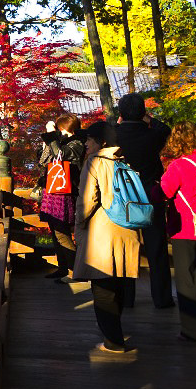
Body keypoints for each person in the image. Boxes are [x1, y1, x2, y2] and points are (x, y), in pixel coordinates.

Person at [73, 120, 141, 353]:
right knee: (118, 283)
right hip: (126, 228)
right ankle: (114, 332)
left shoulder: (94, 162)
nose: (86, 144)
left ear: (101, 142)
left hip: (102, 232)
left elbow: (86, 202)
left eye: (89, 140)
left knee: (102, 287)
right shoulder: (123, 160)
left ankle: (113, 340)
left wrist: (78, 226)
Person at [114, 93, 174, 309]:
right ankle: (162, 298)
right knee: (156, 247)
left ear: (120, 113)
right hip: (150, 194)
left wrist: (119, 120)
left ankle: (126, 298)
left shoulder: (115, 136)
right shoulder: (152, 136)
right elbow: (166, 130)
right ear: (142, 113)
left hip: (123, 198)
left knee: (125, 247)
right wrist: (146, 118)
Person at [160, 121, 196, 342]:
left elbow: (162, 192)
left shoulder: (179, 165)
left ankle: (193, 331)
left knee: (188, 281)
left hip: (187, 229)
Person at [36, 113, 85, 282]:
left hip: (64, 193)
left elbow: (61, 155)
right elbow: (43, 161)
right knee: (55, 232)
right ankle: (63, 267)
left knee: (62, 232)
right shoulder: (59, 141)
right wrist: (47, 143)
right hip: (52, 190)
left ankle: (75, 271)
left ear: (64, 127)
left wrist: (51, 136)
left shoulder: (77, 143)